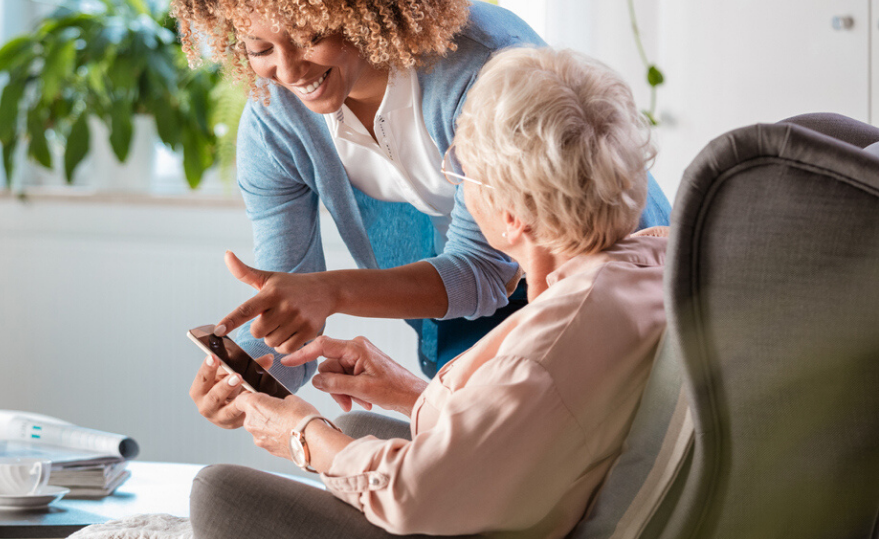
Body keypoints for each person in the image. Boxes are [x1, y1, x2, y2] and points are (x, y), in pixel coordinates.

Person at [167, 0, 671, 427]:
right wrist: (250, 375)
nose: (290, 70)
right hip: (476, 302)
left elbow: (485, 271)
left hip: (606, 284)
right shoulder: (275, 124)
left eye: (309, 35)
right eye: (259, 48)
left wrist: (332, 292)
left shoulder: (484, 69)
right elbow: (293, 301)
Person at [189, 46, 671, 539]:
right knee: (355, 432)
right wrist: (405, 391)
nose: (455, 185)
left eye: (461, 172)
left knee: (219, 494)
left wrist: (301, 433)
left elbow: (414, 493)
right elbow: (542, 419)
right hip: (550, 487)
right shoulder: (649, 266)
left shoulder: (547, 348)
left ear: (510, 217)